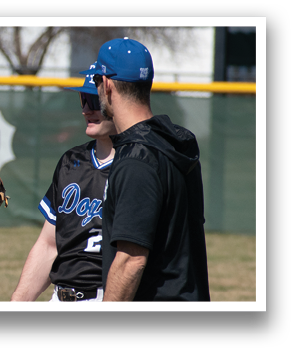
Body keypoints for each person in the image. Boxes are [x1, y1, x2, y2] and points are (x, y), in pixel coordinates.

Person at [81, 38, 209, 301]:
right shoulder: (172, 144)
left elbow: (130, 261)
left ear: (107, 84)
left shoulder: (137, 159)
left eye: (95, 82)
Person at [11, 61, 115, 302]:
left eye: (94, 102)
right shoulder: (71, 161)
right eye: (83, 100)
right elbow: (49, 245)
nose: (86, 110)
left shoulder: (137, 166)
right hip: (60, 297)